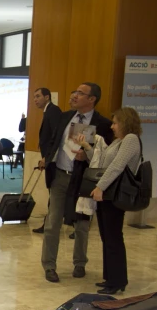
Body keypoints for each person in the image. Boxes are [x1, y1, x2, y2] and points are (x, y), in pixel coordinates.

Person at [41, 83, 114, 283]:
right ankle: (49, 265)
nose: (74, 95)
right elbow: (53, 141)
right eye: (74, 91)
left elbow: (107, 154)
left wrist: (88, 155)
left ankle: (80, 263)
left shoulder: (103, 124)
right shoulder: (65, 117)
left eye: (80, 93)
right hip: (60, 175)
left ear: (92, 99)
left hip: (83, 180)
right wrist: (47, 159)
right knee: (52, 222)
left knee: (82, 224)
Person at [87, 107, 143, 295]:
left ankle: (118, 280)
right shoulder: (119, 141)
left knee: (113, 237)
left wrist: (100, 187)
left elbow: (117, 166)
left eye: (116, 122)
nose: (112, 126)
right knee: (107, 237)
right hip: (108, 194)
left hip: (114, 193)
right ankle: (111, 277)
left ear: (126, 122)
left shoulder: (131, 139)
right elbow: (104, 161)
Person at [30, 87, 64, 234]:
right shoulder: (48, 111)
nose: (35, 100)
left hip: (54, 160)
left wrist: (47, 157)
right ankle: (49, 223)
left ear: (47, 97)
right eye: (34, 97)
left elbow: (56, 136)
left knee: (55, 192)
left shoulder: (53, 111)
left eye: (38, 96)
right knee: (52, 190)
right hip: (50, 158)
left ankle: (50, 224)